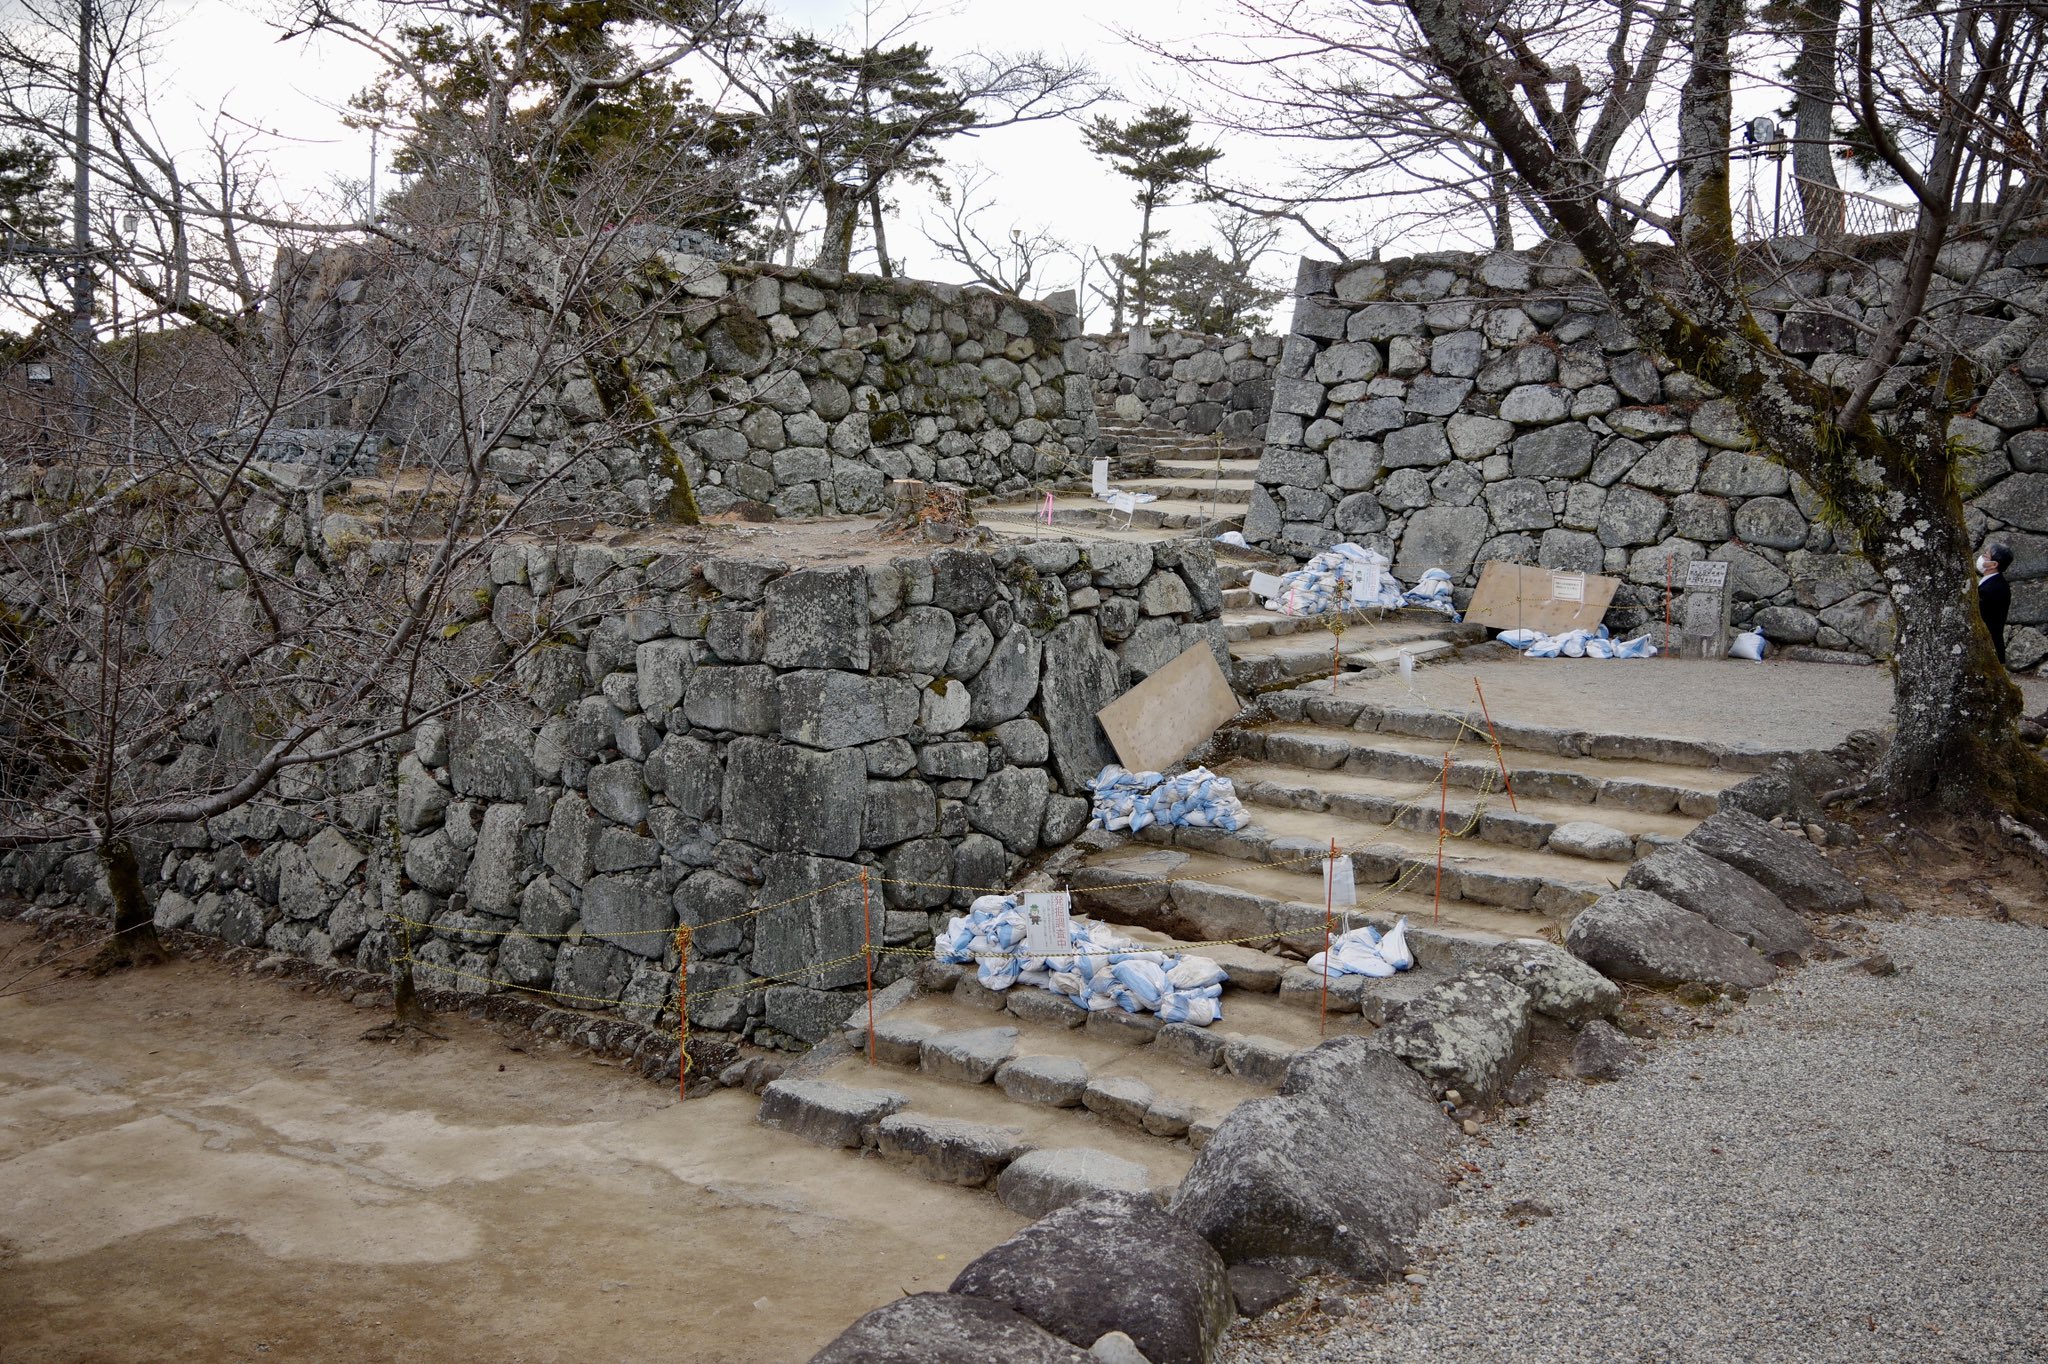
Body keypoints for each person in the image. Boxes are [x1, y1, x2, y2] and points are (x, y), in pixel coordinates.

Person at [1978, 542, 2012, 666]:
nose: (1981, 557)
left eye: (1986, 555)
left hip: (1987, 647)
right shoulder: (1992, 582)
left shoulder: (1994, 588)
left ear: (1993, 564)